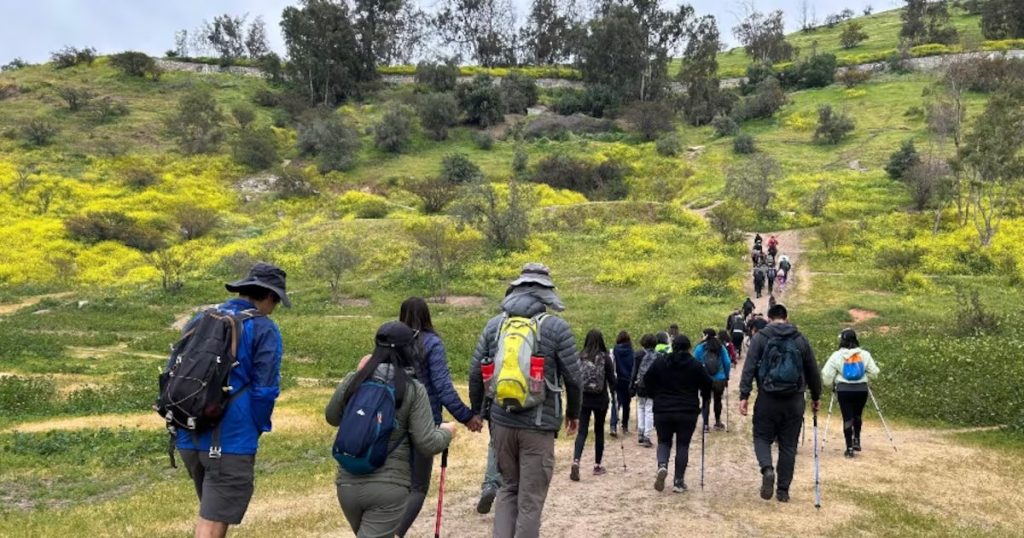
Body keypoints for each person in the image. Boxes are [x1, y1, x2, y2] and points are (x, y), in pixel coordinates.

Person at [169, 262, 288, 538]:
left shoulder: (200, 319)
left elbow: (174, 370)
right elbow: (265, 389)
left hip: (189, 435)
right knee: (211, 523)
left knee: (212, 515)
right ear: (269, 296)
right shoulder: (263, 328)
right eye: (276, 301)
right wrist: (257, 427)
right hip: (231, 440)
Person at [468, 263, 582, 538]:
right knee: (530, 500)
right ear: (546, 294)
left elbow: (475, 372)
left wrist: (477, 412)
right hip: (538, 426)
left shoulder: (495, 325)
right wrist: (573, 413)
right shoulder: (556, 327)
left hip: (501, 422)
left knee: (508, 488)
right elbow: (574, 378)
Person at [326, 321, 456, 538]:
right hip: (389, 488)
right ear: (408, 350)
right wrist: (447, 432)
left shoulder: (355, 379)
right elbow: (427, 443)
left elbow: (332, 417)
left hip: (347, 484)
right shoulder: (413, 389)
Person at [395, 298, 483, 536]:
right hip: (424, 420)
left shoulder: (393, 342)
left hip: (392, 419)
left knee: (395, 484)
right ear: (427, 316)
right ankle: (394, 533)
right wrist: (466, 417)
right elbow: (443, 387)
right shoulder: (432, 343)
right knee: (418, 487)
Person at [739, 304, 822, 503]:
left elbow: (749, 366)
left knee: (761, 436)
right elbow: (812, 370)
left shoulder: (761, 338)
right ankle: (783, 491)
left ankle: (767, 468)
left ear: (769, 318)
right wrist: (816, 396)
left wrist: (744, 395)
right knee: (788, 445)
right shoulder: (800, 339)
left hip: (767, 397)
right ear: (787, 317)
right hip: (794, 399)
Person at [644, 334, 712, 493]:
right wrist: (705, 398)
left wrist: (655, 395)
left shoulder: (661, 361)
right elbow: (707, 383)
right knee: (683, 444)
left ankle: (662, 466)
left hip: (663, 409)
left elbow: (647, 379)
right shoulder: (695, 364)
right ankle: (679, 481)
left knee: (664, 441)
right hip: (687, 411)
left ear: (673, 346)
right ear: (688, 347)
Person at [821, 328, 880, 458]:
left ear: (842, 340)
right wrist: (866, 378)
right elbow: (874, 372)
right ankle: (857, 439)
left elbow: (826, 374)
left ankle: (849, 448)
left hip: (844, 390)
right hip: (861, 389)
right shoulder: (865, 354)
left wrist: (831, 383)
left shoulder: (836, 355)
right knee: (857, 414)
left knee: (847, 418)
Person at [571, 329, 616, 480]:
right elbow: (612, 381)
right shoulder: (605, 358)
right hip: (600, 399)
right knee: (599, 431)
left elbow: (575, 379)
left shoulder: (580, 356)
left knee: (582, 431)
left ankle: (576, 461)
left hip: (584, 399)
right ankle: (597, 465)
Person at [693, 329, 732, 431]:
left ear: (705, 335)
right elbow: (727, 363)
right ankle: (717, 421)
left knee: (706, 401)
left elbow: (695, 364)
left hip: (705, 379)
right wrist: (726, 376)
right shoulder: (721, 347)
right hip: (719, 379)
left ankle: (705, 425)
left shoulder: (700, 348)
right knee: (718, 399)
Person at [629, 333, 659, 448]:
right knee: (649, 409)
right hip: (653, 386)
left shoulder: (638, 354)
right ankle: (647, 435)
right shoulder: (658, 356)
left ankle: (641, 433)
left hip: (640, 385)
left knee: (641, 407)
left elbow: (634, 371)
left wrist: (631, 385)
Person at [610, 331, 635, 437]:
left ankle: (613, 425)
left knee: (616, 404)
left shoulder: (615, 350)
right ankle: (624, 426)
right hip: (628, 380)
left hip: (618, 379)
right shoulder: (631, 351)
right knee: (626, 404)